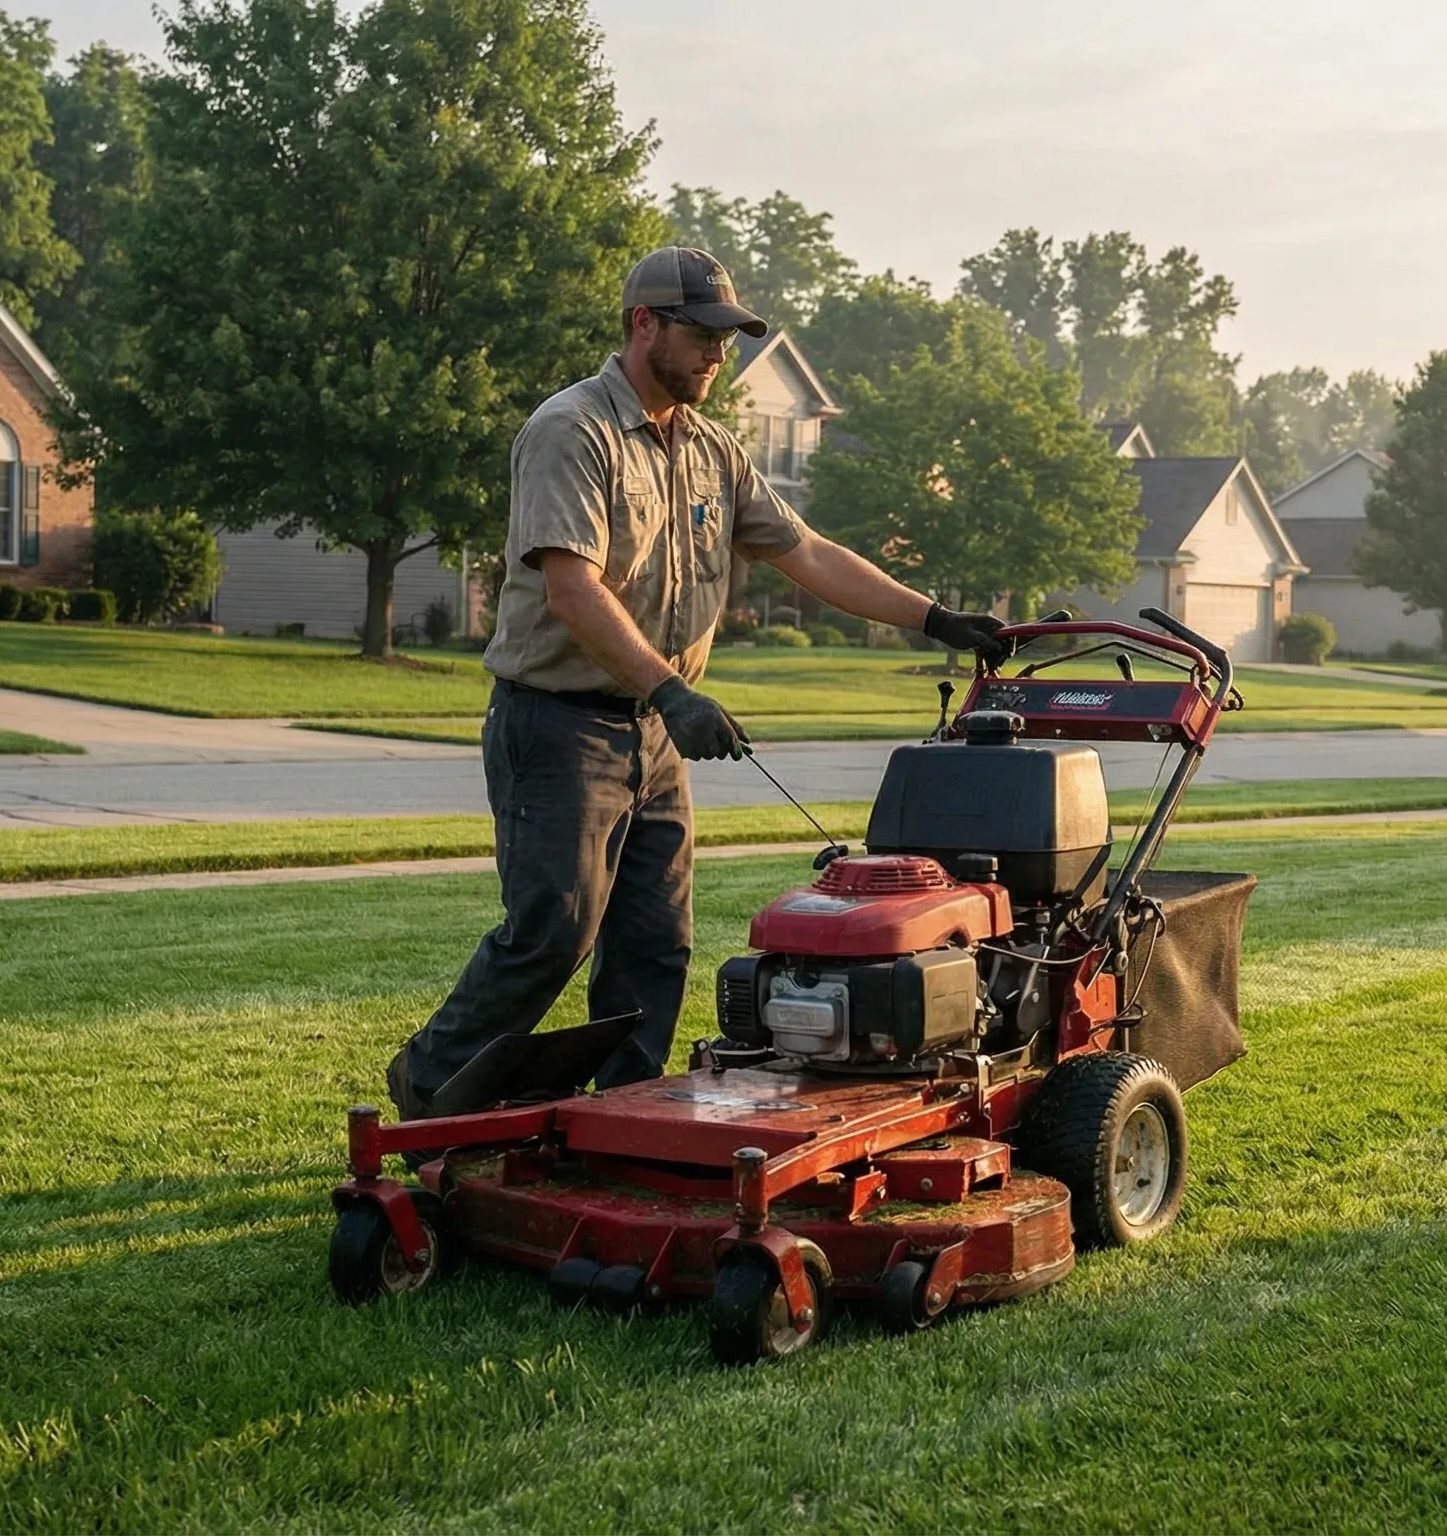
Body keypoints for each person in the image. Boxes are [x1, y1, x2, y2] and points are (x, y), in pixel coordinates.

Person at [387, 246, 1006, 1118]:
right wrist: (671, 691)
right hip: (559, 725)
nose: (722, 355)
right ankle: (428, 1092)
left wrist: (936, 619)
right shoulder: (574, 431)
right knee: (552, 934)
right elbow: (573, 590)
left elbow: (811, 554)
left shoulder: (713, 450)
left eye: (730, 338)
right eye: (706, 335)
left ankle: (629, 1113)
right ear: (647, 325)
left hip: (652, 735)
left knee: (655, 944)